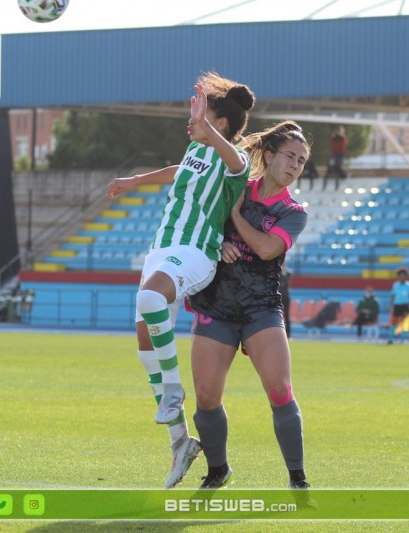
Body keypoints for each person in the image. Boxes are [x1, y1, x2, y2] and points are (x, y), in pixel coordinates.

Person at [105, 72, 255, 488]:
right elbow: (178, 169)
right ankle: (180, 442)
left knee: (151, 301)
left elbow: (238, 166)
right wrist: (135, 180)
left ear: (219, 122)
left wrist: (209, 130)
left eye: (199, 113)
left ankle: (173, 391)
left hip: (196, 252)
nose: (190, 120)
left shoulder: (234, 157)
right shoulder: (195, 149)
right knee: (143, 338)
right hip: (163, 249)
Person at [187, 121, 312, 491]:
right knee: (206, 398)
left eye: (302, 161)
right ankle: (218, 470)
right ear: (270, 156)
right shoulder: (235, 183)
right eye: (289, 156)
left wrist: (237, 217)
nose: (294, 165)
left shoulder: (294, 211)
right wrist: (215, 243)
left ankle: (298, 479)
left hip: (261, 307)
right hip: (216, 304)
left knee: (279, 390)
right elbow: (202, 226)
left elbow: (267, 249)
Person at [386, 267, 409, 345]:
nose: (402, 277)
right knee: (394, 322)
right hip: (397, 305)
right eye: (400, 275)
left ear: (406, 276)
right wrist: (390, 304)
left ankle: (402, 340)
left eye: (404, 275)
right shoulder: (396, 285)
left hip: (405, 305)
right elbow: (393, 295)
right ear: (398, 276)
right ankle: (390, 338)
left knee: (404, 323)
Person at [324, 125, 347, 190]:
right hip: (336, 154)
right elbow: (333, 142)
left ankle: (341, 177)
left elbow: (342, 144)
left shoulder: (342, 137)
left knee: (338, 167)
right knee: (335, 167)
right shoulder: (335, 137)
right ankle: (341, 176)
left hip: (339, 154)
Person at [280, 265, 293, 339]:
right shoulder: (278, 272)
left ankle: (288, 334)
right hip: (279, 296)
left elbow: (287, 276)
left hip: (286, 296)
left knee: (287, 316)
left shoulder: (288, 273)